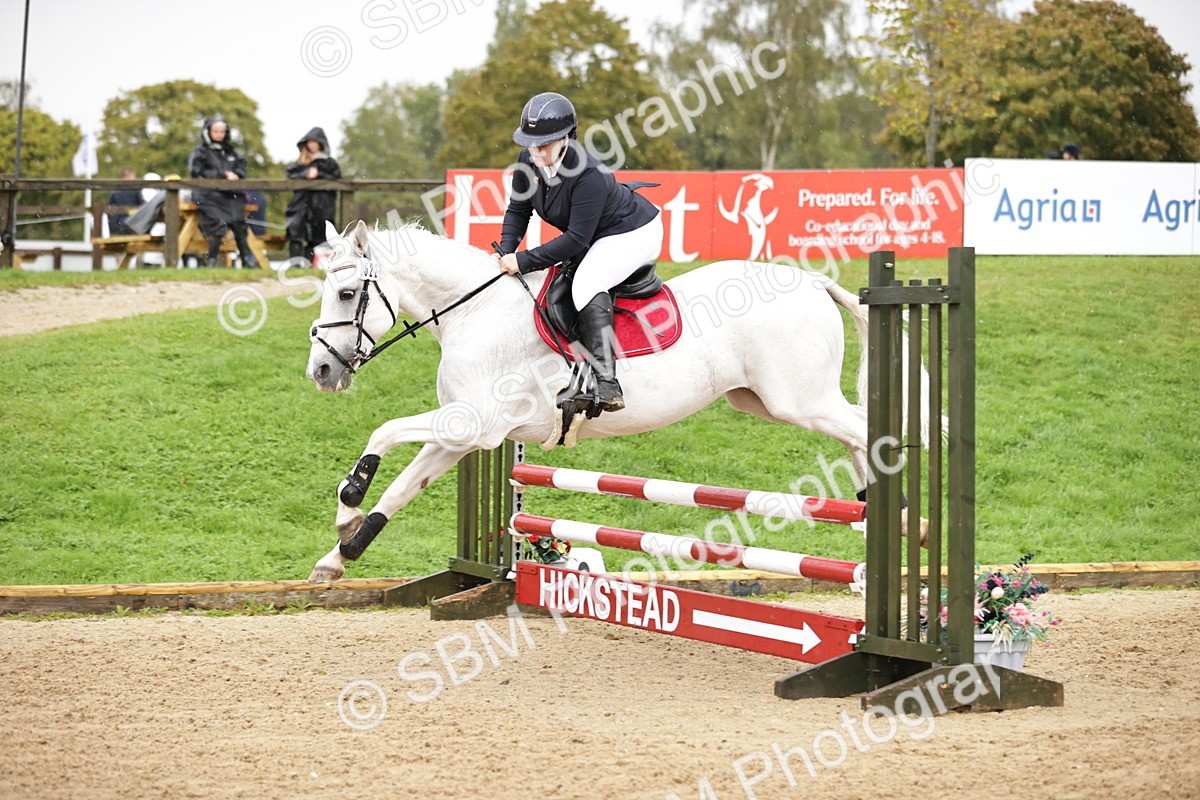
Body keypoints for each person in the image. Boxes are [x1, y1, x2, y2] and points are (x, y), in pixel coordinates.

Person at [495, 92, 663, 413]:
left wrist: (523, 260)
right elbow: (518, 210)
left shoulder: (588, 173)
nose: (534, 150)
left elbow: (574, 240)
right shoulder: (527, 161)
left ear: (566, 139)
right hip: (594, 235)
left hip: (633, 232)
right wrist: (505, 251)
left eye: (543, 143)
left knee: (585, 282)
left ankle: (607, 383)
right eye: (530, 142)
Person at [187, 118, 256, 268]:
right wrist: (221, 175)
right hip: (208, 194)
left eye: (222, 131)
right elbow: (196, 171)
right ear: (208, 132)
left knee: (239, 223)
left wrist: (236, 174)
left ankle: (246, 259)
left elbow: (241, 164)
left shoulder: (230, 151)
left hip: (231, 195)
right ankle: (211, 260)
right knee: (217, 224)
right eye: (216, 131)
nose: (219, 134)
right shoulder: (201, 151)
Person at [285, 127, 341, 265]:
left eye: (314, 142)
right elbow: (291, 175)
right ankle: (295, 266)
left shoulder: (328, 163)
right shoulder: (300, 163)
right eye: (309, 142)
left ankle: (312, 265)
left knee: (318, 237)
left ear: (320, 143)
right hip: (301, 205)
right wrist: (306, 174)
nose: (311, 145)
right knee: (296, 233)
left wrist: (319, 174)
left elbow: (336, 177)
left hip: (321, 205)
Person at [105, 167, 142, 236]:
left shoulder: (114, 191)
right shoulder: (135, 190)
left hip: (117, 224)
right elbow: (141, 205)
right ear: (129, 176)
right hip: (132, 223)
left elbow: (109, 208)